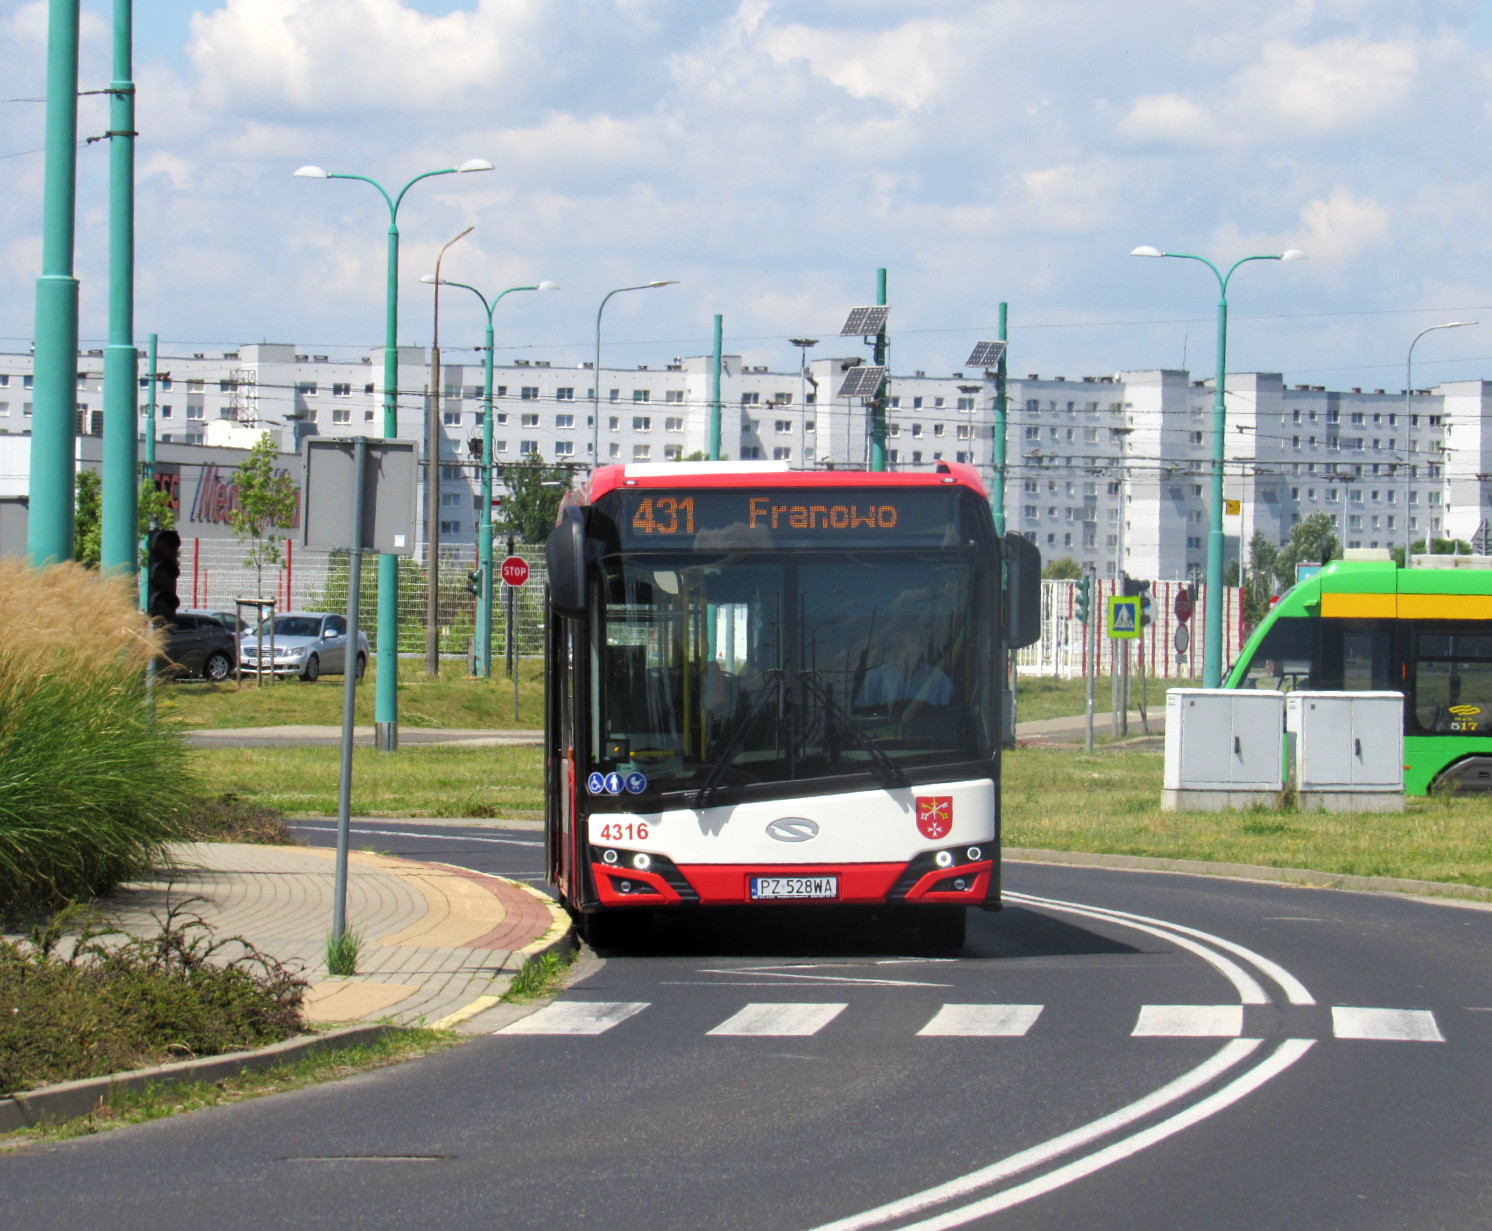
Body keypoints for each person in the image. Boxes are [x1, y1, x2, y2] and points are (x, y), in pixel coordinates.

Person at [855, 618, 953, 709]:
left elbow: (950, 719)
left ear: (919, 646)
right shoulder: (874, 679)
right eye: (894, 646)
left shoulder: (940, 680)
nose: (900, 653)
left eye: (903, 645)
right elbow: (861, 718)